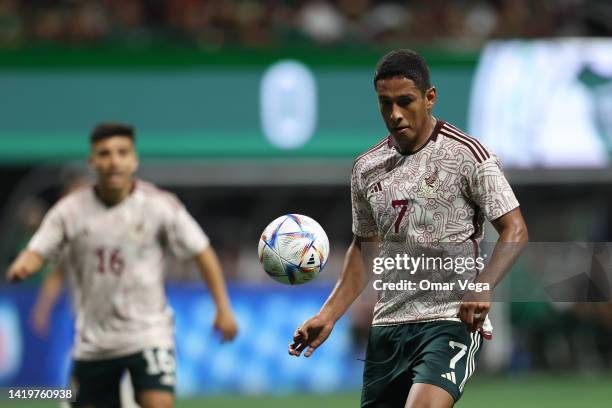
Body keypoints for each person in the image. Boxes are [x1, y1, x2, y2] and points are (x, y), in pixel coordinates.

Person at [288, 49, 528, 408]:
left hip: (449, 319)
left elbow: (515, 230)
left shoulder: (468, 155)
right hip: (389, 327)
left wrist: (483, 284)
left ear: (430, 98)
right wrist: (328, 314)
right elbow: (364, 250)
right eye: (385, 104)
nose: (395, 114)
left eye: (405, 101)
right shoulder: (366, 169)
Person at [6, 123, 239, 408]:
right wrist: (25, 265)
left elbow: (202, 251)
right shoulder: (69, 212)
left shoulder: (159, 206)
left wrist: (223, 308)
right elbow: (42, 254)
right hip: (95, 339)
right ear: (93, 161)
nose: (114, 161)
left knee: (158, 402)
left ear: (133, 159)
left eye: (121, 152)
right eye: (104, 154)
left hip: (148, 332)